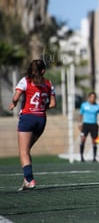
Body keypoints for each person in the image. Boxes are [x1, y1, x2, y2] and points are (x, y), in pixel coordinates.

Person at [9, 59, 56, 191]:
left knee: (23, 152)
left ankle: (29, 180)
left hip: (28, 118)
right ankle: (26, 179)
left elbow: (16, 96)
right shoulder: (48, 83)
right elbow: (52, 104)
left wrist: (13, 103)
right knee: (26, 151)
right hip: (41, 119)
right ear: (43, 71)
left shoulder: (25, 81)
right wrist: (41, 106)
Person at [78, 92, 99, 162]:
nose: (93, 99)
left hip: (94, 125)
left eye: (94, 97)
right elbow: (80, 115)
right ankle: (81, 157)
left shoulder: (98, 106)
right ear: (89, 97)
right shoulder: (84, 105)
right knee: (83, 139)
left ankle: (94, 157)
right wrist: (79, 124)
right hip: (85, 125)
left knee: (95, 141)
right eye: (91, 97)